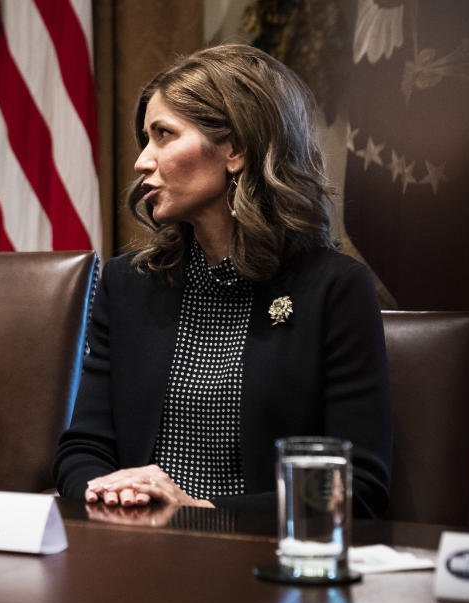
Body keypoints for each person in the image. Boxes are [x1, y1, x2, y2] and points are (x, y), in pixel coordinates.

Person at [54, 44, 392, 517]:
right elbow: (81, 450)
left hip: (261, 567)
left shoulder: (334, 288)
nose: (141, 161)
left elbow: (359, 488)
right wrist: (116, 493)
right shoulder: (126, 283)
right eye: (144, 139)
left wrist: (199, 510)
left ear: (235, 149)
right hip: (132, 552)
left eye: (163, 135)